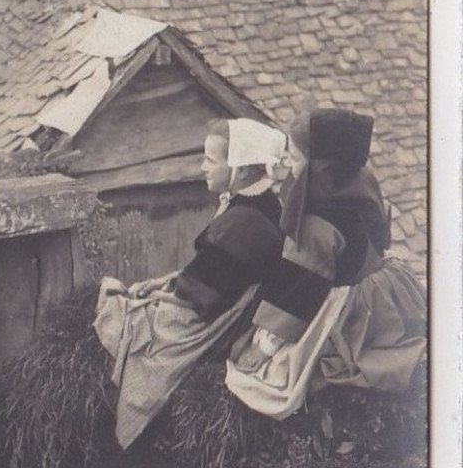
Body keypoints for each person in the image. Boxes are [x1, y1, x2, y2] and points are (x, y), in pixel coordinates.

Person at [93, 117, 287, 449]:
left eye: (211, 160)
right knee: (139, 297)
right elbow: (211, 274)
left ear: (239, 170)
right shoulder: (258, 202)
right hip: (227, 299)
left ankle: (115, 413)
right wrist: (166, 283)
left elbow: (199, 297)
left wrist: (154, 297)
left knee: (130, 318)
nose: (203, 167)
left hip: (217, 318)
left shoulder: (243, 223)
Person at [226, 107, 427, 419]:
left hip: (345, 308)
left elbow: (299, 291)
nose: (288, 169)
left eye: (293, 159)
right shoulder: (360, 186)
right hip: (381, 289)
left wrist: (264, 347)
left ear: (317, 164)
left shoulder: (313, 223)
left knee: (259, 372)